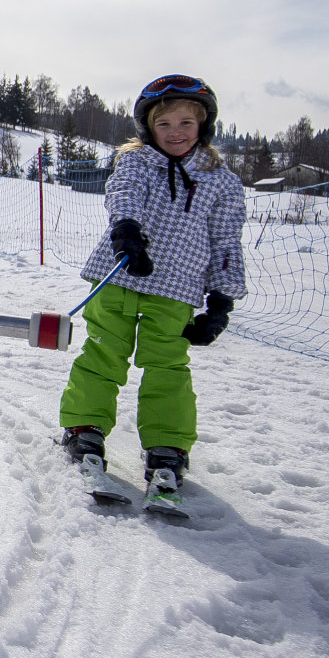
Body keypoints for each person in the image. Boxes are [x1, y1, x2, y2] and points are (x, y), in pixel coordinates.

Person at [58, 74, 246, 497]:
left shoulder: (222, 181)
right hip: (121, 272)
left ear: (204, 126)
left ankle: (168, 447)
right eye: (164, 124)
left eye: (185, 123)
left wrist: (221, 299)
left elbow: (226, 241)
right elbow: (123, 193)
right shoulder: (137, 161)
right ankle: (84, 427)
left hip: (177, 289)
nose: (175, 133)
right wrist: (126, 228)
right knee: (103, 355)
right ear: (148, 127)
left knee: (168, 367)